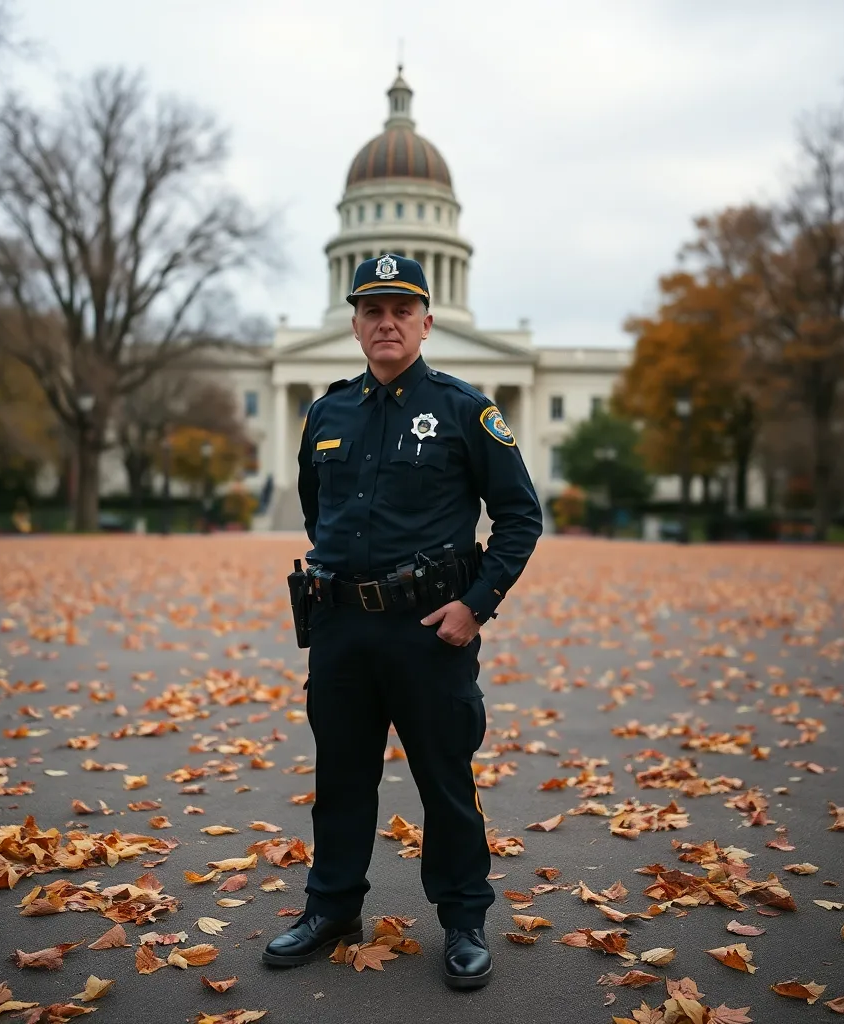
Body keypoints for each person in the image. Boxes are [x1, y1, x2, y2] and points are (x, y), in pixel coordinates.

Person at [262, 254, 542, 990]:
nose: (385, 322)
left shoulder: (463, 409)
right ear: (354, 321)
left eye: (401, 309)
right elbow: (316, 509)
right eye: (371, 309)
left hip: (430, 630)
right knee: (341, 778)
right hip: (342, 630)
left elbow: (519, 516)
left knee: (444, 779)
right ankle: (332, 911)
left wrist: (475, 605)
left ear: (427, 319)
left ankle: (462, 919)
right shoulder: (327, 412)